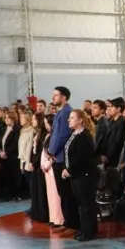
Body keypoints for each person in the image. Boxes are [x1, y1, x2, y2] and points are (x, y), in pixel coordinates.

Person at [61, 109, 99, 242]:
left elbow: (82, 157)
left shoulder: (85, 136)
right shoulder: (75, 134)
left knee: (87, 203)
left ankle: (89, 231)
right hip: (76, 175)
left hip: (84, 175)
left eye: (72, 118)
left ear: (80, 120)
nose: (69, 120)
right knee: (82, 204)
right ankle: (84, 229)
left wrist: (69, 169)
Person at [47, 87, 78, 230]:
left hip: (61, 157)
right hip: (57, 156)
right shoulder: (60, 112)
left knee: (66, 193)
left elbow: (62, 136)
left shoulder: (66, 112)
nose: (53, 97)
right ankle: (67, 222)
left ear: (64, 97)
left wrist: (52, 150)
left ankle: (72, 224)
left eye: (56, 95)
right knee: (62, 192)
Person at [40, 114, 64, 228]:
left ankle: (59, 219)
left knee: (56, 194)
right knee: (50, 194)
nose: (46, 126)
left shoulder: (56, 136)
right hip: (46, 168)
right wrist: (43, 164)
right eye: (44, 124)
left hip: (52, 167)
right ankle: (53, 217)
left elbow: (55, 153)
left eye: (48, 124)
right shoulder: (48, 136)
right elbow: (43, 152)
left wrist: (48, 163)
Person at [29, 112, 49, 223]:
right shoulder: (37, 133)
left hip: (40, 166)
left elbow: (41, 151)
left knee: (41, 190)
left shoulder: (43, 134)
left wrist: (34, 162)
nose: (32, 121)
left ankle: (43, 214)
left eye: (34, 119)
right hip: (35, 165)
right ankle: (36, 213)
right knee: (35, 189)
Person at [18, 109, 37, 199]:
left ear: (28, 119)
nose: (20, 119)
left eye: (22, 118)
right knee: (29, 184)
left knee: (32, 185)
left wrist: (30, 161)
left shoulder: (32, 131)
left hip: (29, 160)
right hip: (24, 160)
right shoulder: (22, 130)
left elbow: (31, 147)